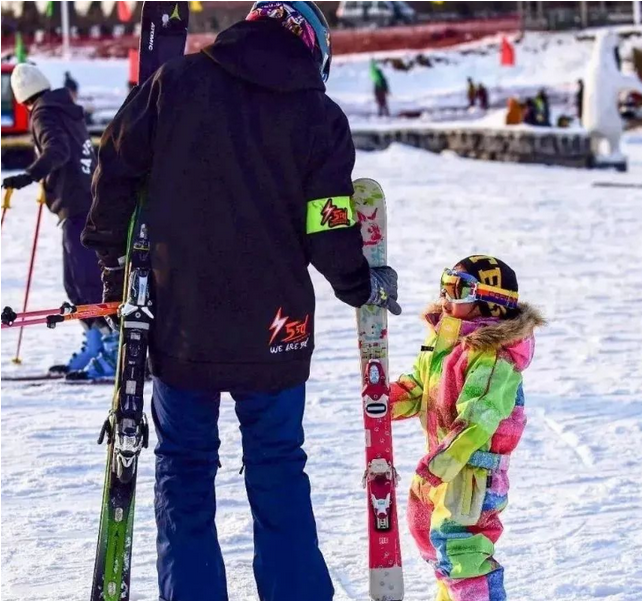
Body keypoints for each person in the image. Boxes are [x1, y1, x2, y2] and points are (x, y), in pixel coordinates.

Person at [82, 2, 400, 601]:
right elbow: (326, 222)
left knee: (184, 470)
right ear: (312, 46)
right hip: (276, 330)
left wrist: (112, 261)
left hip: (181, 324)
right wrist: (359, 285)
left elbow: (114, 165)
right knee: (278, 466)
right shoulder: (318, 115)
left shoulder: (173, 84)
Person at [390, 255, 544, 601]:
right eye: (444, 287)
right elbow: (418, 388)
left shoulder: (493, 358)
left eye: (457, 290)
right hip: (441, 465)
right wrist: (387, 401)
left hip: (473, 471)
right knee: (433, 543)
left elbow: (478, 421)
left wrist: (439, 466)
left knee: (462, 551)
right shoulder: (444, 341)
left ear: (490, 303)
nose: (446, 298)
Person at [1, 63, 116, 381]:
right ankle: (96, 343)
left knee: (87, 282)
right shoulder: (65, 108)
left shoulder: (43, 113)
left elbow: (58, 150)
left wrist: (29, 176)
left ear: (22, 99)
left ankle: (112, 347)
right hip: (84, 202)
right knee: (76, 282)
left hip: (78, 207)